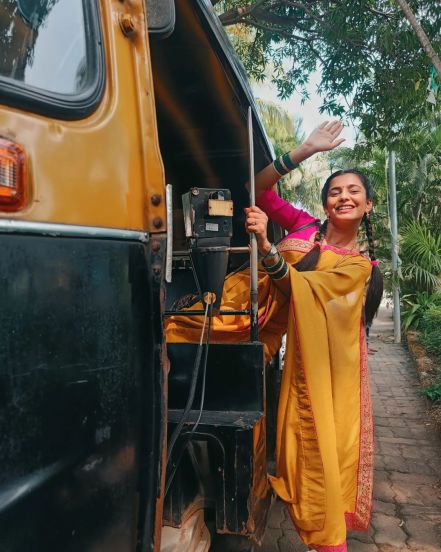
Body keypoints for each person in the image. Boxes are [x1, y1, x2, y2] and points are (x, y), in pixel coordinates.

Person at [166, 121, 383, 552]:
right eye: (335, 190)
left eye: (354, 191)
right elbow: (256, 190)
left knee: (300, 440)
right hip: (219, 308)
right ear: (323, 202)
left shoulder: (360, 267)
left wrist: (266, 247)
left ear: (369, 206)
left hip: (256, 334)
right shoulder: (303, 225)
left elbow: (299, 290)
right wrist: (302, 151)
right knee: (163, 339)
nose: (343, 196)